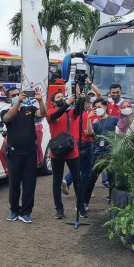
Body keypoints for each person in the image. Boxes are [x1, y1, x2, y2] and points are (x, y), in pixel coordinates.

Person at [3, 86, 47, 223]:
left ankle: (26, 212)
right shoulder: (6, 111)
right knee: (14, 183)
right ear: (9, 98)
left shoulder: (30, 109)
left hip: (29, 153)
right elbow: (7, 119)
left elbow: (43, 114)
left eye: (19, 94)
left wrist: (40, 101)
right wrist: (17, 103)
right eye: (14, 95)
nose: (18, 96)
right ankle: (14, 210)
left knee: (29, 184)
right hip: (14, 153)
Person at [47, 90, 86, 220]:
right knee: (56, 181)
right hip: (56, 152)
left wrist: (81, 99)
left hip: (71, 151)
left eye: (62, 96)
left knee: (77, 180)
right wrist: (67, 104)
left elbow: (78, 110)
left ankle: (81, 207)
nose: (62, 98)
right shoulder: (51, 112)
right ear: (53, 102)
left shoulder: (70, 112)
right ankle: (59, 209)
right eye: (58, 97)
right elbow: (54, 116)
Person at [83, 98, 119, 208]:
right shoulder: (95, 122)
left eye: (99, 107)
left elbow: (121, 130)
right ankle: (85, 202)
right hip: (98, 153)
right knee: (92, 177)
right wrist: (89, 119)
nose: (97, 109)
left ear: (105, 107)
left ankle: (112, 203)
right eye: (95, 108)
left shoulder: (114, 119)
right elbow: (89, 133)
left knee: (112, 178)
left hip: (111, 153)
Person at [64, 88, 95, 201]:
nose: (91, 105)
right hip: (86, 144)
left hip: (75, 143)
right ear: (86, 104)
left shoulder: (74, 114)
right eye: (90, 103)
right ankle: (84, 191)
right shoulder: (86, 115)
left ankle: (67, 180)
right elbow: (89, 132)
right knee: (85, 170)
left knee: (77, 166)